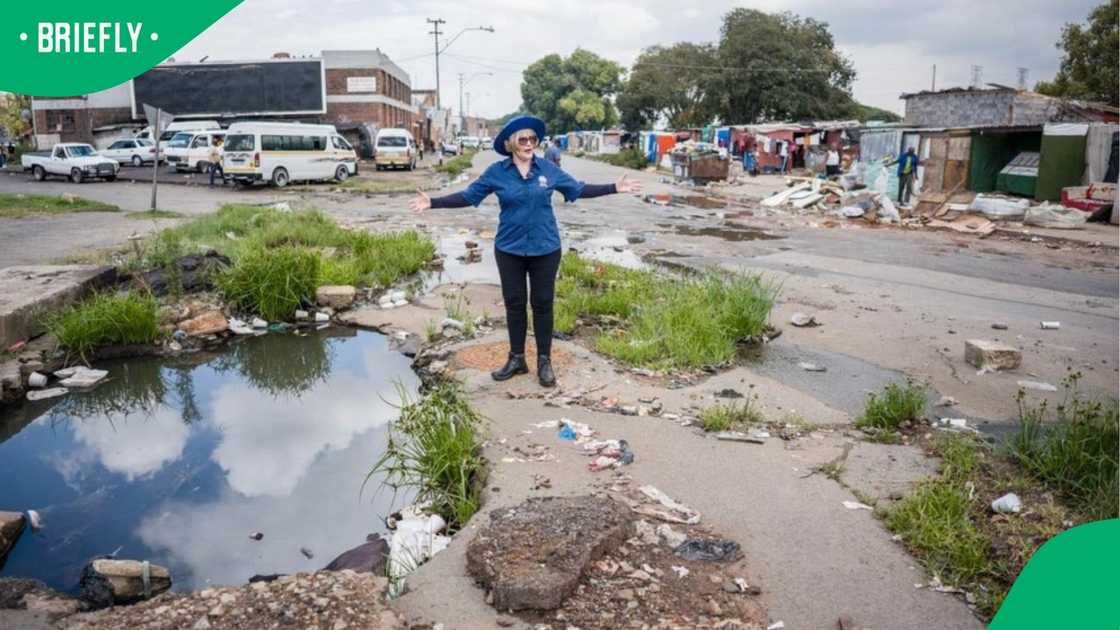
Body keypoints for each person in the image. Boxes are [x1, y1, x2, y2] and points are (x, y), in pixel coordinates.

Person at [409, 115, 642, 387]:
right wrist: (433, 203)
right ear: (511, 143)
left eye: (533, 139)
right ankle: (517, 359)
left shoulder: (547, 170)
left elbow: (577, 189)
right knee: (515, 305)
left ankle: (545, 362)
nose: (529, 143)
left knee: (543, 305)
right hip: (509, 249)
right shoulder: (497, 172)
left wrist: (614, 187)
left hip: (546, 248)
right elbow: (468, 196)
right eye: (523, 139)